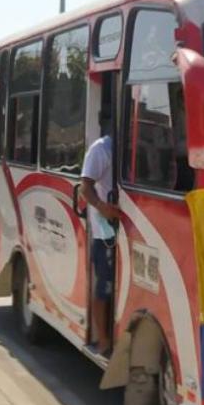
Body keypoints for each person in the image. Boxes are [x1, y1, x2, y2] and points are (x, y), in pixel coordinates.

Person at [80, 109, 119, 354]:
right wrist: (101, 207)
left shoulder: (139, 145)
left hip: (128, 230)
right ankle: (103, 339)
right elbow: (86, 188)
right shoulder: (101, 149)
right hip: (106, 234)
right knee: (104, 287)